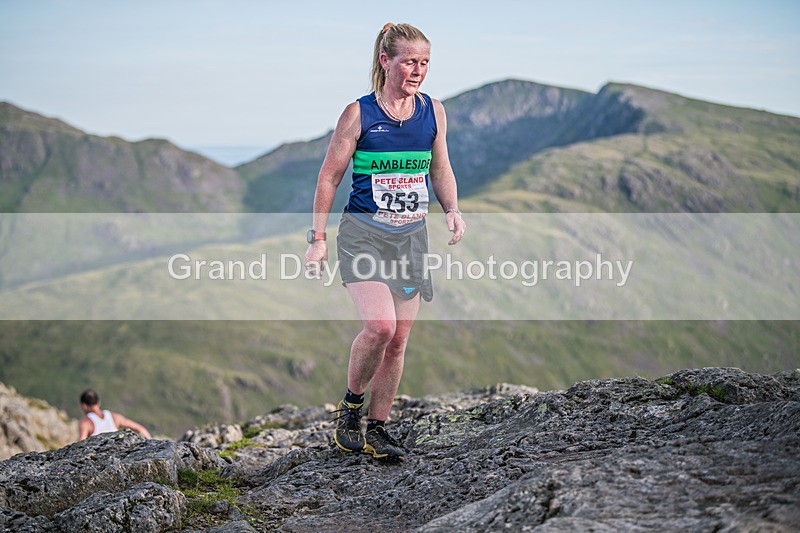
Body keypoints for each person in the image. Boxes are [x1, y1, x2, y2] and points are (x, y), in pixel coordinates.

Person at [304, 22, 465, 463]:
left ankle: (378, 428)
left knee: (399, 339)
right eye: (409, 62)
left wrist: (451, 208)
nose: (418, 71)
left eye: (425, 63)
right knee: (380, 328)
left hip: (410, 239)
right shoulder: (359, 114)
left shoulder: (433, 111)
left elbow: (440, 168)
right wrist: (318, 238)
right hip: (363, 236)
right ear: (385, 61)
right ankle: (351, 408)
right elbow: (329, 177)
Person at [77, 388, 152, 441]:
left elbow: (81, 444)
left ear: (84, 405)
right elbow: (140, 428)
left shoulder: (86, 423)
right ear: (98, 402)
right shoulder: (114, 417)